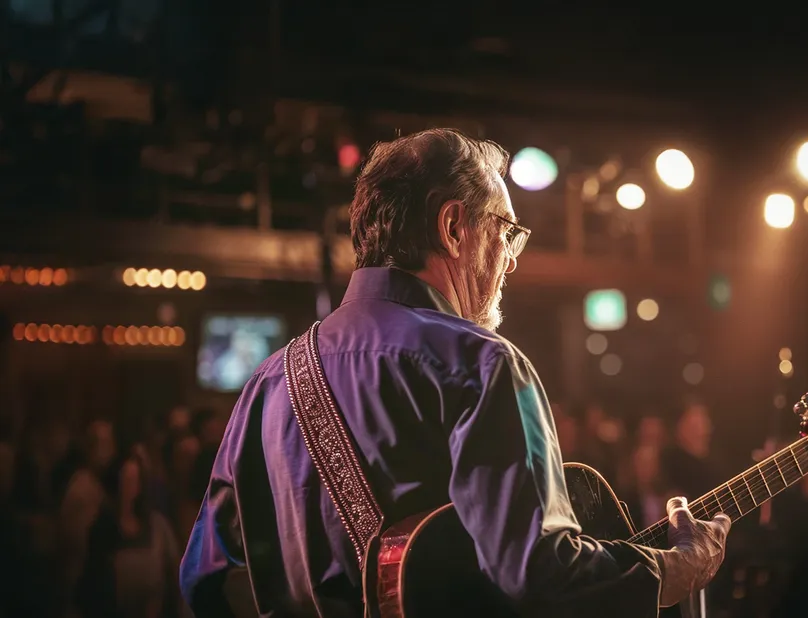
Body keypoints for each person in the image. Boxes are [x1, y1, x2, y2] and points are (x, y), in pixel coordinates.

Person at [178, 128, 731, 618]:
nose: (511, 259)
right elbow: (540, 574)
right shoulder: (481, 364)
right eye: (506, 231)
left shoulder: (268, 382)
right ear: (453, 227)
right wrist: (673, 570)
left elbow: (204, 580)